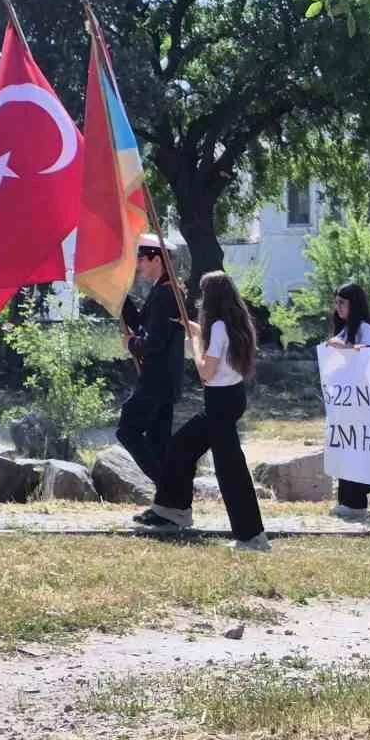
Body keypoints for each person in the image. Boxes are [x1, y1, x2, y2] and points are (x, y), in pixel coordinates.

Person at [132, 271, 270, 551]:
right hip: (230, 399)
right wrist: (192, 327)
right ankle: (173, 510)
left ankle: (252, 537)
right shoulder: (236, 323)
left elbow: (206, 372)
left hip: (219, 402)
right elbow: (216, 347)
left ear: (213, 299)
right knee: (181, 447)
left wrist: (194, 344)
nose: (200, 300)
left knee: (230, 471)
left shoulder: (219, 327)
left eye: (204, 294)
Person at [117, 234, 185, 485]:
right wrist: (121, 297)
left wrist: (132, 344)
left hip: (158, 380)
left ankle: (168, 490)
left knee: (128, 429)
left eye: (141, 260)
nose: (139, 266)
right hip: (161, 381)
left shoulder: (168, 293)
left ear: (156, 259)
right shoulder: (161, 290)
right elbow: (140, 324)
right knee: (158, 444)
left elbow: (154, 343)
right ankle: (168, 500)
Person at [326, 284, 370, 522]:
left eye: (342, 303)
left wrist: (344, 347)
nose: (337, 307)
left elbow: (366, 355)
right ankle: (347, 499)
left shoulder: (366, 329)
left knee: (356, 448)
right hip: (344, 400)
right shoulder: (345, 329)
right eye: (336, 302)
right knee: (344, 447)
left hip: (362, 399)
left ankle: (357, 500)